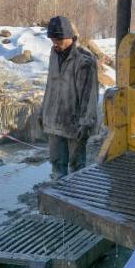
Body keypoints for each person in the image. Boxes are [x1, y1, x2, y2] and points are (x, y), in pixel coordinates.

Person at [39, 15, 98, 180]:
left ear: (69, 36)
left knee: (77, 168)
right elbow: (50, 86)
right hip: (54, 123)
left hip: (74, 125)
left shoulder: (83, 60)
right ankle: (59, 199)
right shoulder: (54, 54)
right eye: (52, 40)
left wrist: (86, 123)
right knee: (57, 166)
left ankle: (76, 200)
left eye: (58, 39)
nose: (55, 43)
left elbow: (90, 95)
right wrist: (42, 112)